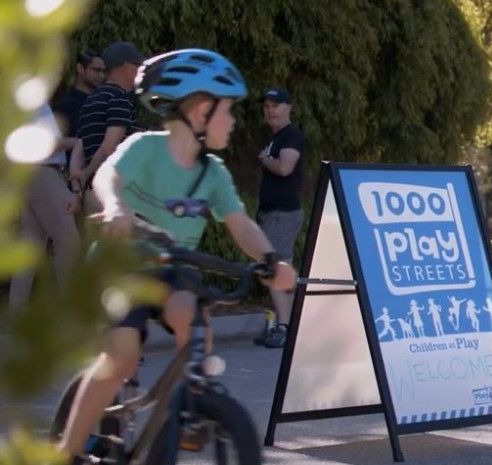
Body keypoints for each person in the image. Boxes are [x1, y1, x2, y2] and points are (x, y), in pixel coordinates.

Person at [56, 49, 297, 464]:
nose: (234, 121)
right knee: (122, 355)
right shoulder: (145, 148)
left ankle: (187, 410)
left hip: (168, 271)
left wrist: (272, 260)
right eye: (227, 111)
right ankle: (66, 449)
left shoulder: (213, 173)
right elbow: (108, 176)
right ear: (200, 111)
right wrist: (115, 208)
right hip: (121, 267)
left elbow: (240, 224)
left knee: (194, 325)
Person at [7, 104, 81, 309]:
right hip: (43, 170)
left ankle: (17, 313)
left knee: (30, 245)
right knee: (67, 239)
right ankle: (70, 311)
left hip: (27, 174)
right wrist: (74, 142)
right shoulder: (32, 98)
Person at [252, 87, 306, 349]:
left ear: (288, 108)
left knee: (277, 269)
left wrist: (265, 159)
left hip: (283, 213)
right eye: (267, 106)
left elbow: (285, 167)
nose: (270, 110)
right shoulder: (276, 137)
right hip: (271, 213)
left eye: (276, 105)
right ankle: (283, 325)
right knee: (273, 269)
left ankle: (286, 329)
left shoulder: (291, 135)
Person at [71, 41, 144, 214]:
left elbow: (79, 146)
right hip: (115, 194)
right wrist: (87, 173)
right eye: (138, 66)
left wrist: (78, 180)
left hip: (91, 195)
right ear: (125, 67)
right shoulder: (118, 98)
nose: (140, 71)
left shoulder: (92, 98)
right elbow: (109, 147)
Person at [52, 49, 105, 165]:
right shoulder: (65, 103)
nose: (101, 76)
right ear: (80, 69)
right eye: (96, 70)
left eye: (103, 71)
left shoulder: (103, 101)